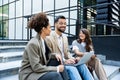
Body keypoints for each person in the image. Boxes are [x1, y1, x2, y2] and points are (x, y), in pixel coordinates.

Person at [45, 15, 94, 80]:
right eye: (61, 23)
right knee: (72, 69)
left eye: (65, 23)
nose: (63, 25)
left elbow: (67, 52)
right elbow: (48, 55)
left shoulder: (65, 37)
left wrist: (74, 59)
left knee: (82, 65)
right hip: (58, 64)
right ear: (55, 24)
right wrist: (64, 61)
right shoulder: (48, 37)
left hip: (67, 62)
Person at [19, 12, 64, 80]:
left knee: (58, 60)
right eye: (49, 27)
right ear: (43, 29)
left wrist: (55, 55)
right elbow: (36, 67)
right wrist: (57, 69)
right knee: (55, 75)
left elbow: (46, 54)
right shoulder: (33, 43)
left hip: (38, 70)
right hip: (30, 74)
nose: (51, 30)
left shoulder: (43, 40)